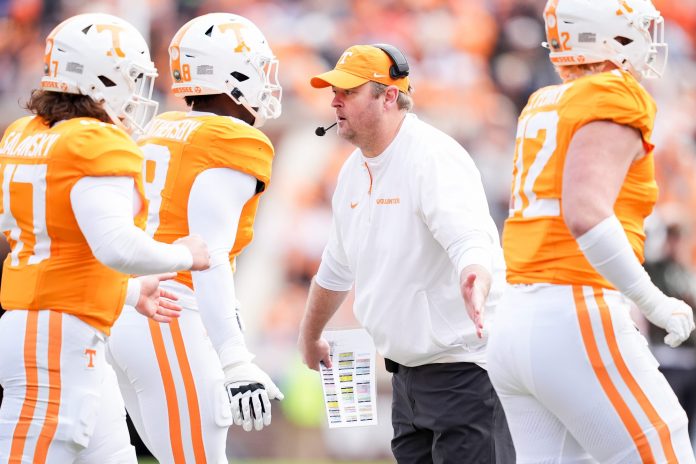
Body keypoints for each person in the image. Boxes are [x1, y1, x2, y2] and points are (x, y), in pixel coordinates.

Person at [487, 0, 696, 462]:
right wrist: (652, 299)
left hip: (516, 316)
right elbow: (586, 213)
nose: (647, 42)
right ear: (603, 35)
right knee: (665, 451)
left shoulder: (543, 100)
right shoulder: (614, 92)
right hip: (574, 307)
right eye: (635, 30)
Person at [0, 13, 211, 464]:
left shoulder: (27, 133)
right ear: (101, 78)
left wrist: (131, 291)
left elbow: (63, 245)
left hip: (63, 326)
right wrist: (184, 255)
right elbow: (115, 246)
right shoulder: (95, 141)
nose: (136, 93)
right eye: (131, 78)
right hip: (55, 335)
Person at [297, 44, 515, 463]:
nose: (334, 100)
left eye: (348, 91)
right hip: (406, 378)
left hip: (464, 372)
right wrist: (310, 336)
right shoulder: (352, 171)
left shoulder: (431, 156)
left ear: (389, 96)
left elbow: (469, 238)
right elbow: (335, 269)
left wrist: (476, 275)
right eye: (333, 91)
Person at [107, 13, 284, 463]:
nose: (266, 81)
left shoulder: (162, 126)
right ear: (233, 73)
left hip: (130, 311)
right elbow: (210, 254)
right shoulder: (231, 137)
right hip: (171, 313)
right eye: (258, 68)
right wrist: (235, 358)